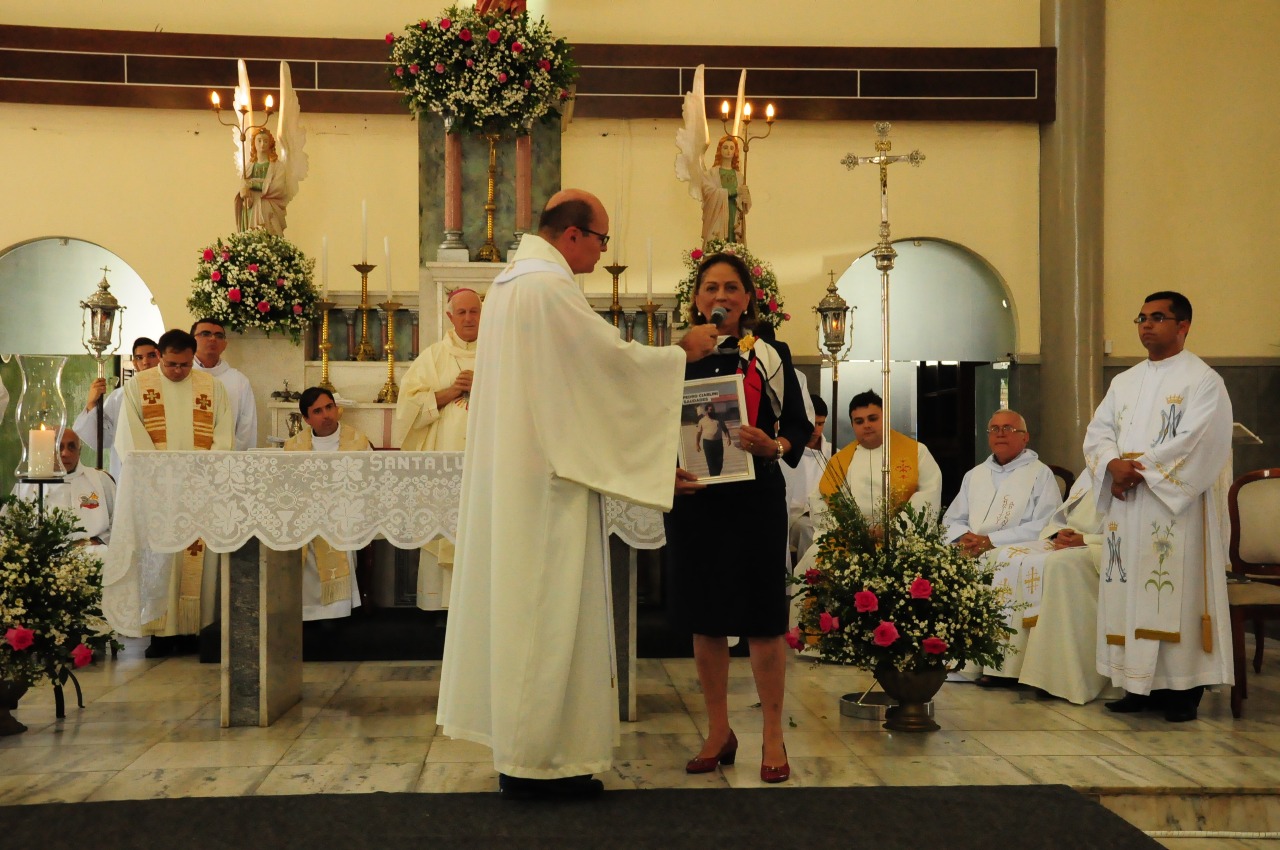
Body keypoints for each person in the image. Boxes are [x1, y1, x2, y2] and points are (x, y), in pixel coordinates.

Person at [437, 189, 719, 801]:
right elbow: (606, 367)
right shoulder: (545, 289)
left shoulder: (512, 286)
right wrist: (679, 353)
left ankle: (531, 754)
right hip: (548, 488)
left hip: (530, 477)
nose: (601, 252)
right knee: (549, 617)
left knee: (530, 620)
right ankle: (540, 764)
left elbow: (574, 384)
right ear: (571, 235)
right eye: (601, 239)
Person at [666, 250, 812, 785]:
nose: (721, 297)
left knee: (762, 618)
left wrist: (773, 444)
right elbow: (647, 423)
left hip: (754, 501)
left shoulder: (769, 355)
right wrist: (665, 469)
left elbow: (797, 425)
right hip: (696, 499)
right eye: (711, 288)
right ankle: (718, 730)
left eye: (731, 288)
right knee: (706, 617)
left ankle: (773, 734)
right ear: (696, 298)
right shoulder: (675, 355)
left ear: (748, 299)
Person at [1083, 291, 1233, 723]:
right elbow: (1098, 432)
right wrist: (1112, 465)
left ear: (1183, 325)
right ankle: (1137, 685)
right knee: (1128, 590)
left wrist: (1138, 470)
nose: (1147, 325)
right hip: (1127, 504)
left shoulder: (1203, 381)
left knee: (1173, 592)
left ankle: (1183, 690)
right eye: (1142, 318)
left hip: (1171, 507)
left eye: (1158, 318)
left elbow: (1199, 440)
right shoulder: (1124, 381)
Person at [110, 329, 234, 657]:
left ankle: (195, 630)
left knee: (195, 563)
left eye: (184, 365)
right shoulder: (139, 387)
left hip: (198, 491)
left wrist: (203, 472)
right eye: (171, 364)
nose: (177, 371)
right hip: (158, 492)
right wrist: (159, 474)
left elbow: (223, 434)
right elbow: (130, 437)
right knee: (159, 559)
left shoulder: (212, 387)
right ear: (160, 357)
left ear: (193, 358)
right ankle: (160, 633)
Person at [980, 467, 1113, 703]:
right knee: (1000, 558)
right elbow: (1059, 518)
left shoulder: (1128, 471)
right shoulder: (1090, 469)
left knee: (1058, 566)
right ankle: (1005, 667)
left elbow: (1129, 531)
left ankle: (1053, 675)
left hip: (1101, 547)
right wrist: (1058, 534)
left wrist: (1085, 540)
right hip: (1071, 541)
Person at [392, 287, 481, 611]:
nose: (469, 318)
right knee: (443, 524)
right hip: (444, 462)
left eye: (474, 311)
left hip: (486, 461)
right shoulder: (431, 357)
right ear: (450, 317)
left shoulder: (501, 353)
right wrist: (451, 390)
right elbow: (408, 408)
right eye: (462, 312)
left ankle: (480, 607)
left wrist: (485, 387)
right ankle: (440, 607)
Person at [284, 387, 371, 621]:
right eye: (318, 411)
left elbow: (370, 483)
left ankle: (337, 609)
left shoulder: (357, 441)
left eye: (330, 407)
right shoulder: (293, 447)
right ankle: (306, 611)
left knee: (337, 533)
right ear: (306, 419)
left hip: (344, 514)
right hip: (306, 515)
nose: (326, 415)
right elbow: (286, 489)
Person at [813, 389, 944, 529]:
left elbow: (928, 494)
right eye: (859, 421)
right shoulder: (840, 460)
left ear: (886, 418)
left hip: (902, 539)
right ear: (852, 425)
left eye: (872, 418)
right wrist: (846, 529)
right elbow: (819, 499)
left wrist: (892, 529)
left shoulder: (917, 452)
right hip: (852, 538)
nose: (866, 425)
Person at [942, 409, 1062, 556]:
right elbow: (953, 519)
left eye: (1008, 428)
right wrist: (965, 537)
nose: (1000, 434)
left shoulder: (1040, 473)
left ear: (1025, 437)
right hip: (970, 548)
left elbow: (1046, 523)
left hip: (1013, 550)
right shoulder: (974, 475)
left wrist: (991, 540)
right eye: (994, 429)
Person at [11, 428, 115, 562]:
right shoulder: (28, 485)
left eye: (72, 447)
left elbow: (121, 522)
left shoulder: (100, 480)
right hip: (44, 557)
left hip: (93, 553)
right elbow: (8, 526)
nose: (65, 453)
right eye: (59, 447)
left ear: (79, 451)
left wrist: (99, 541)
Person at [73, 336, 160, 482]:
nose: (145, 362)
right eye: (139, 357)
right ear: (134, 363)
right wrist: (91, 403)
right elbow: (103, 439)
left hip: (160, 466)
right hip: (128, 468)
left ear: (160, 357)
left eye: (151, 356)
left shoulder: (170, 391)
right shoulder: (119, 396)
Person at [191, 317, 258, 451]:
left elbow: (246, 427)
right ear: (191, 341)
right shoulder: (182, 376)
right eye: (205, 334)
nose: (212, 339)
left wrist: (234, 459)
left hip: (227, 460)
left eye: (219, 335)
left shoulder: (239, 381)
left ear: (225, 344)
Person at [781, 394, 829, 562]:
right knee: (807, 529)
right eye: (812, 423)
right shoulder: (787, 453)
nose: (815, 430)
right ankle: (809, 580)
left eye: (820, 424)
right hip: (795, 517)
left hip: (825, 515)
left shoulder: (833, 453)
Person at [235, 127, 289, 235]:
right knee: (250, 235)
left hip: (267, 206)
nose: (262, 144)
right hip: (251, 205)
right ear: (254, 143)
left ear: (270, 144)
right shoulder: (249, 166)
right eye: (259, 140)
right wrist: (243, 191)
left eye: (265, 141)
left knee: (270, 234)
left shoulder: (277, 166)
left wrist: (254, 184)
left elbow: (279, 187)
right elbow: (244, 183)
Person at [699, 135, 751, 243]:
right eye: (725, 147)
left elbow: (745, 205)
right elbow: (709, 193)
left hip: (733, 213)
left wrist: (745, 197)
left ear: (735, 152)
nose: (728, 151)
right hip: (718, 215)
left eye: (732, 148)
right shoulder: (711, 174)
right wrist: (734, 191)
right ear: (720, 150)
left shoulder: (739, 176)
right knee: (718, 244)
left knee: (733, 244)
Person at [693, 403, 728, 476]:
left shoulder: (719, 419)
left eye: (713, 410)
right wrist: (697, 444)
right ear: (706, 411)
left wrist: (729, 438)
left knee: (720, 462)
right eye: (711, 410)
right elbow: (698, 433)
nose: (713, 411)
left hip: (718, 443)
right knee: (711, 463)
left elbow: (725, 429)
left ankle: (716, 475)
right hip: (708, 444)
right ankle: (714, 477)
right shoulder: (701, 421)